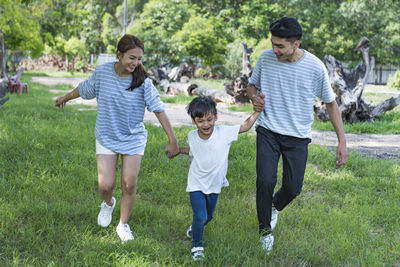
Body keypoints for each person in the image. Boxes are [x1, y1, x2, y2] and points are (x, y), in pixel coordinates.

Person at [55, 34, 179, 242]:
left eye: (139, 59)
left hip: (133, 138)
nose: (136, 63)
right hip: (106, 134)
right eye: (132, 58)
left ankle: (123, 225)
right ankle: (108, 203)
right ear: (119, 55)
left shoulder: (143, 81)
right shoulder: (103, 72)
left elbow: (158, 109)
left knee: (129, 184)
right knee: (105, 185)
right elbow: (85, 88)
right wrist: (64, 97)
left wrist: (173, 140)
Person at [247, 17, 348, 253]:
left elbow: (331, 104)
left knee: (293, 188)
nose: (275, 50)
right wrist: (254, 97)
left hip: (297, 136)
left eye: (280, 46)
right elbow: (252, 85)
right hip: (268, 130)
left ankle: (273, 206)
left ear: (296, 44)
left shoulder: (314, 67)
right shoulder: (265, 59)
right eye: (273, 43)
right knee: (265, 180)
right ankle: (264, 231)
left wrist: (342, 141)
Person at [174, 96, 262, 261]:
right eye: (200, 121)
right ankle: (197, 246)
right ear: (194, 121)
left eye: (209, 119)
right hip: (196, 183)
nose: (206, 124)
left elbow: (245, 126)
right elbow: (195, 151)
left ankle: (195, 229)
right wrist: (178, 150)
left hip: (214, 185)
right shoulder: (192, 136)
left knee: (208, 217)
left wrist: (257, 111)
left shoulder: (224, 133)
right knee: (200, 215)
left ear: (215, 117)